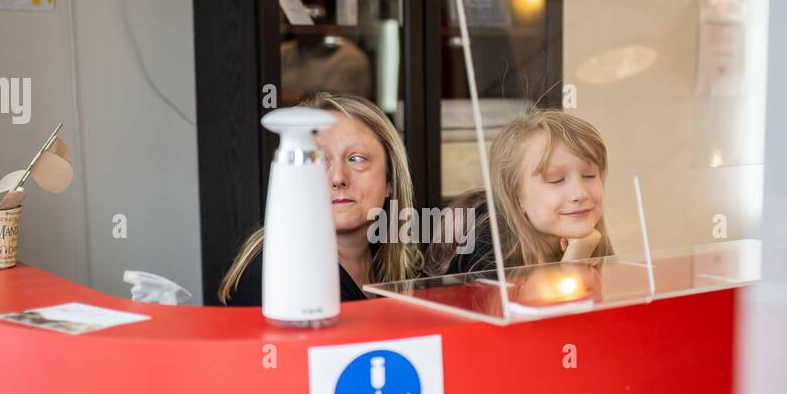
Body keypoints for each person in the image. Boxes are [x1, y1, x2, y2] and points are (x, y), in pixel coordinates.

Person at [218, 92, 422, 305]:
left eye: (356, 159)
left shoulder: (389, 259)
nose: (338, 178)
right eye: (319, 159)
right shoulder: (285, 274)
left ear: (390, 181)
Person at [426, 108, 614, 276]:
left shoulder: (587, 238)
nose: (580, 193)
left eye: (589, 176)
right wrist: (574, 267)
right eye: (556, 180)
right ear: (516, 196)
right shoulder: (488, 247)